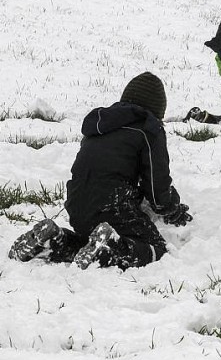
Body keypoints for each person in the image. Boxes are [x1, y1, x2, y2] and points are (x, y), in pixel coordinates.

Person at [8, 72, 192, 269]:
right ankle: (109, 247)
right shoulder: (149, 128)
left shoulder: (102, 123)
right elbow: (157, 191)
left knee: (91, 240)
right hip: (112, 205)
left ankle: (54, 240)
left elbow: (106, 171)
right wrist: (173, 208)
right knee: (155, 248)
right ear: (157, 108)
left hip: (77, 204)